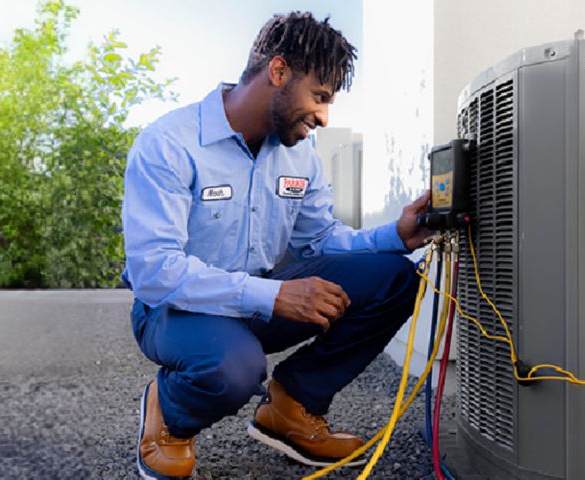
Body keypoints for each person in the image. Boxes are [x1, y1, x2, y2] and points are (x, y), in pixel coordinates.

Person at [119, 11, 433, 479]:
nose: (325, 117)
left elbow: (321, 240)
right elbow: (155, 272)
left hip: (258, 299)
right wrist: (278, 296)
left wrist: (395, 236)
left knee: (392, 277)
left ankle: (292, 406)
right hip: (173, 309)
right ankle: (170, 414)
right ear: (279, 71)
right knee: (234, 369)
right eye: (320, 97)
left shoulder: (298, 153)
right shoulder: (169, 145)